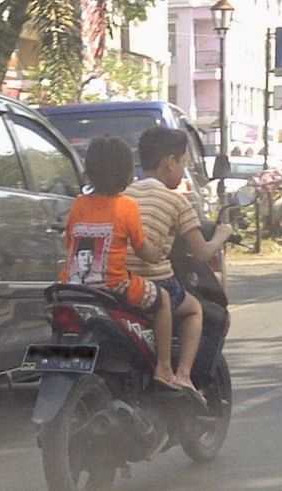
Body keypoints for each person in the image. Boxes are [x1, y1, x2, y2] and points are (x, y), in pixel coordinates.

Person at [62, 135, 180, 391]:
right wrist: (159, 253)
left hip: (71, 287)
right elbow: (143, 249)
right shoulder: (126, 207)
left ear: (89, 170)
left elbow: (69, 241)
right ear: (127, 173)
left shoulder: (79, 204)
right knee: (163, 301)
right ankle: (163, 366)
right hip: (114, 287)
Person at [124, 127, 233, 404]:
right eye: (183, 163)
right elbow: (201, 251)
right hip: (152, 282)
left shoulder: (124, 194)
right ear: (169, 162)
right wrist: (222, 234)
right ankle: (182, 374)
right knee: (195, 309)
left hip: (119, 281)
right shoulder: (176, 201)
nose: (183, 171)